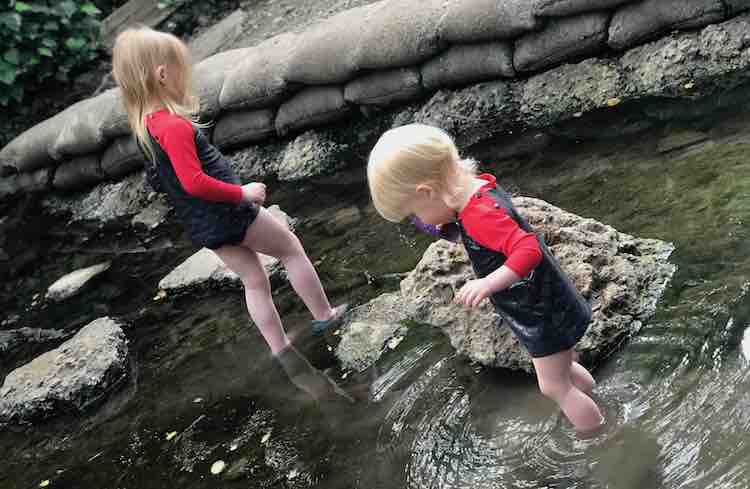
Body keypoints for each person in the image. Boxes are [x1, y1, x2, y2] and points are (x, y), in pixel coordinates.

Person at [111, 26, 347, 359]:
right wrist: (243, 193)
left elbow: (163, 182)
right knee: (291, 250)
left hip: (205, 226)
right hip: (230, 211)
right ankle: (325, 316)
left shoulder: (146, 130)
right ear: (163, 74)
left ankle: (280, 349)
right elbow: (194, 182)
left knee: (254, 281)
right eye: (183, 71)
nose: (187, 78)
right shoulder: (175, 127)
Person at [366, 123, 604, 433]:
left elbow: (528, 249)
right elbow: (474, 232)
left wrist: (487, 283)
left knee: (554, 387)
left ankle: (599, 434)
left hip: (540, 311)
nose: (417, 221)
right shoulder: (476, 192)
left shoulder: (478, 215)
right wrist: (436, 226)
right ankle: (594, 401)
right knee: (565, 373)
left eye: (414, 213)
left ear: (427, 191)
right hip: (550, 299)